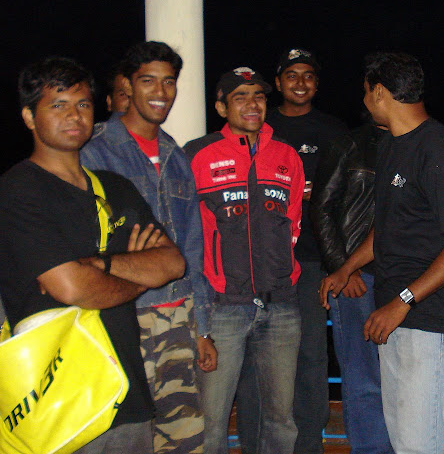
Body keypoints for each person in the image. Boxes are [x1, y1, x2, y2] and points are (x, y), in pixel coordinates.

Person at [0, 57, 185, 453]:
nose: (74, 115)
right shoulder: (19, 190)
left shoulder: (115, 187)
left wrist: (101, 266)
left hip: (125, 389)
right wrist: (136, 277)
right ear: (29, 117)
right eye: (57, 104)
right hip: (59, 396)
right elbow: (72, 287)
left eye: (82, 104)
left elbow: (172, 263)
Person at [321, 52, 444, 454]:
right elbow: (387, 225)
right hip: (393, 309)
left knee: (417, 440)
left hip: (428, 315)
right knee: (400, 434)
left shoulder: (438, 150)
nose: (363, 102)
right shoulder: (391, 144)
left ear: (379, 92)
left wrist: (403, 301)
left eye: (365, 93)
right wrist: (347, 267)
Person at [81, 41, 213, 454]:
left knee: (183, 436)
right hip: (123, 315)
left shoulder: (176, 156)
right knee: (125, 437)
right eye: (148, 81)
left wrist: (202, 326)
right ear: (128, 85)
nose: (161, 92)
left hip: (177, 315)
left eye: (169, 82)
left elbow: (193, 247)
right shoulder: (94, 151)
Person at [185, 66, 304, 454]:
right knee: (211, 421)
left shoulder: (287, 155)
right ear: (222, 107)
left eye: (259, 96)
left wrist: (284, 275)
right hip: (222, 307)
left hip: (281, 304)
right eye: (240, 97)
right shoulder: (198, 155)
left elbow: (294, 221)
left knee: (281, 419)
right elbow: (186, 234)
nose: (252, 104)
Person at [237, 48, 347, 454]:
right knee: (254, 356)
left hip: (313, 261)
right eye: (291, 75)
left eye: (308, 75)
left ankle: (308, 441)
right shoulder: (259, 125)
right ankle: (256, 442)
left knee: (311, 354)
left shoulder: (334, 130)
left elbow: (346, 196)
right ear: (278, 82)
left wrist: (342, 263)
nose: (300, 83)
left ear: (317, 83)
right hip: (260, 263)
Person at [310, 119, 394, 454]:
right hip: (357, 279)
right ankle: (372, 449)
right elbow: (322, 208)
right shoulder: (349, 145)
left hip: (400, 278)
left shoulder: (411, 143)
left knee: (400, 372)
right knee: (362, 372)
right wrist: (342, 268)